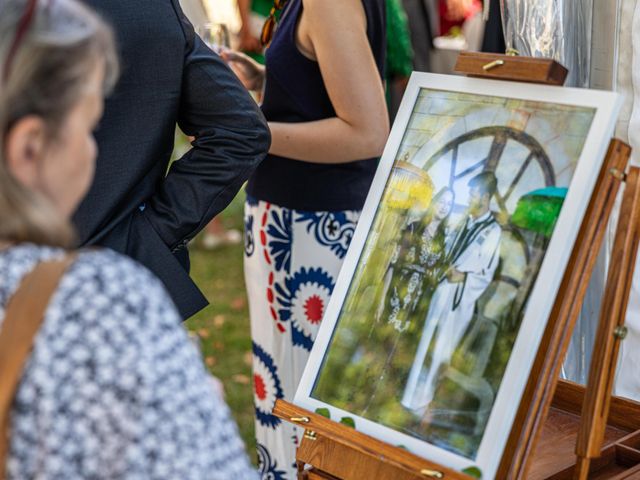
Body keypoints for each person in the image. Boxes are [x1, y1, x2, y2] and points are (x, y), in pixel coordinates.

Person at [0, 1, 257, 478]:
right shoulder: (113, 304)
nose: (92, 150)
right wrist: (188, 413)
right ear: (30, 146)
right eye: (85, 128)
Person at [221, 0, 389, 476]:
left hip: (312, 233)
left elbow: (368, 132)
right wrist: (263, 80)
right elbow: (321, 90)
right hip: (295, 226)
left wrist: (248, 133)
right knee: (289, 396)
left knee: (308, 415)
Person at [72, 0, 271, 320]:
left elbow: (240, 132)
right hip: (129, 283)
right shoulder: (153, 7)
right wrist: (147, 236)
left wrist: (151, 232)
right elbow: (240, 130)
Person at [402, 172, 501, 413]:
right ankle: (408, 396)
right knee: (424, 342)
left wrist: (464, 276)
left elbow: (486, 274)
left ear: (486, 197)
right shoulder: (464, 221)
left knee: (442, 350)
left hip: (459, 297)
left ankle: (425, 402)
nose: (469, 198)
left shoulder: (493, 231)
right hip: (441, 291)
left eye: (474, 193)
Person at [380, 188, 455, 334]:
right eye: (442, 202)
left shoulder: (444, 240)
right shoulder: (414, 227)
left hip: (418, 303)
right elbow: (393, 264)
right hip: (396, 293)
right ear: (434, 203)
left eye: (449, 204)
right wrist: (381, 300)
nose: (444, 207)